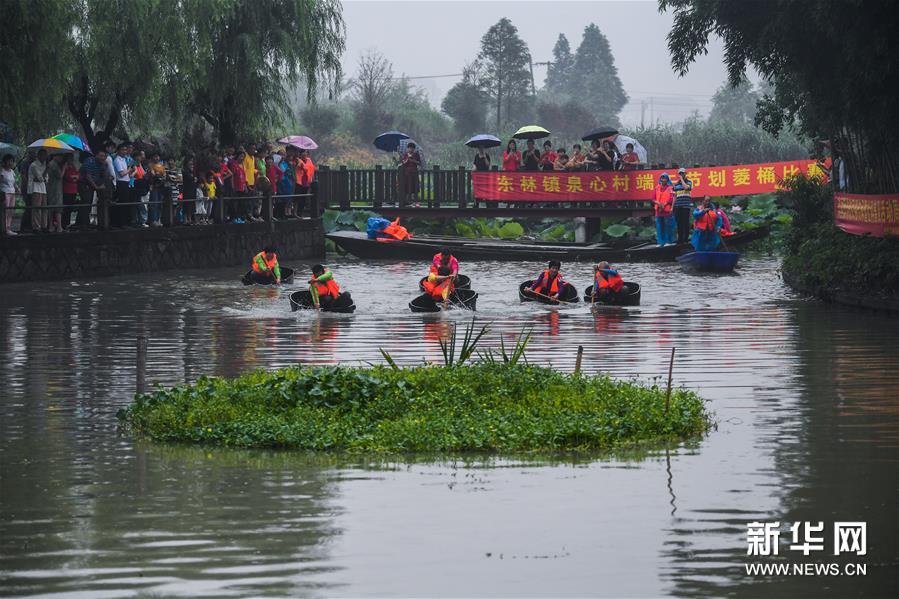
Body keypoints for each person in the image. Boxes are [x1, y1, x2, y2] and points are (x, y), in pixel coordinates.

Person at [78, 149, 106, 230]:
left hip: (92, 184)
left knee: (89, 203)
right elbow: (88, 176)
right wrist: (96, 187)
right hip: (84, 184)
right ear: (96, 155)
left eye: (104, 156)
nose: (102, 158)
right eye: (101, 156)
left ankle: (84, 223)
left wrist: (105, 166)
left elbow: (102, 174)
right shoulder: (90, 162)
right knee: (86, 202)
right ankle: (84, 224)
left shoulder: (101, 164)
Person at [28, 149, 49, 232]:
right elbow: (39, 178)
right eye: (44, 155)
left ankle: (44, 226)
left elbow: (46, 179)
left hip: (43, 189)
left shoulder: (44, 165)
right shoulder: (34, 165)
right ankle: (36, 226)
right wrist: (46, 171)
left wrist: (44, 177)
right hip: (35, 188)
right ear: (39, 155)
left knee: (44, 208)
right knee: (37, 208)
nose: (45, 157)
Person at [653, 172, 676, 247]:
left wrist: (664, 204)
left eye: (665, 178)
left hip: (667, 210)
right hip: (659, 210)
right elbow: (653, 198)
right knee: (660, 226)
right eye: (662, 178)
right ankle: (660, 242)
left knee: (668, 226)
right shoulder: (657, 187)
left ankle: (668, 241)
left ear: (667, 179)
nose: (663, 179)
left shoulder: (671, 188)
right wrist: (658, 203)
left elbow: (671, 198)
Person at [672, 167, 694, 244]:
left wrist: (681, 179)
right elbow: (674, 196)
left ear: (685, 174)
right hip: (678, 206)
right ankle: (680, 239)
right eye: (680, 173)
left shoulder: (689, 182)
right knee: (679, 223)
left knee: (685, 222)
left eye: (682, 173)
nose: (681, 174)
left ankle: (686, 238)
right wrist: (672, 207)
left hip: (686, 206)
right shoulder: (676, 185)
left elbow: (686, 188)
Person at [46, 154, 65, 232]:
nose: (61, 158)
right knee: (57, 207)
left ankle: (52, 226)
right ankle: (58, 226)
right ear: (55, 156)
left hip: (52, 188)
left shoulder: (51, 164)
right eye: (60, 156)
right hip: (55, 189)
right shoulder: (53, 164)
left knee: (51, 207)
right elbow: (60, 176)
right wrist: (64, 168)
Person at [61, 154, 80, 230]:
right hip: (67, 189)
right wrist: (73, 177)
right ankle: (64, 223)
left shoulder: (73, 167)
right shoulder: (65, 167)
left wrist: (74, 177)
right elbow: (68, 177)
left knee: (71, 207)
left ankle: (68, 223)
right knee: (66, 207)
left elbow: (77, 175)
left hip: (74, 189)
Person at [1, 154, 18, 235]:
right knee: (6, 211)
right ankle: (4, 228)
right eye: (9, 160)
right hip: (5, 192)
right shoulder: (2, 171)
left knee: (11, 210)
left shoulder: (12, 171)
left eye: (12, 161)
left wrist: (17, 188)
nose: (10, 163)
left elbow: (14, 182)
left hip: (12, 192)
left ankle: (8, 228)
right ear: (5, 161)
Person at [181, 156, 197, 225]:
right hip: (187, 189)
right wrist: (194, 178)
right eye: (190, 161)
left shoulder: (192, 170)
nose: (191, 163)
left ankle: (190, 219)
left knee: (191, 204)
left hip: (192, 188)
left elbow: (195, 178)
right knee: (186, 204)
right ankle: (185, 219)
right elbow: (189, 178)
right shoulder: (185, 170)